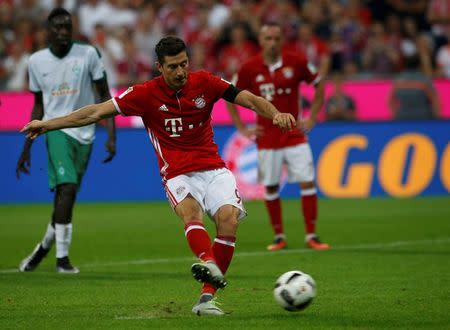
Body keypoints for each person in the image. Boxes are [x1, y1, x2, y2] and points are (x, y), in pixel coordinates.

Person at [20, 36, 296, 315]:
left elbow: (248, 98)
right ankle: (208, 261)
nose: (180, 72)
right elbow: (94, 111)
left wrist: (274, 113)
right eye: (173, 66)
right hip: (177, 172)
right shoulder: (144, 94)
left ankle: (206, 299)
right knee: (191, 213)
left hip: (213, 167)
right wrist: (47, 125)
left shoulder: (206, 82)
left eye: (184, 64)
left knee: (229, 220)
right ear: (160, 67)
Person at [16, 8, 116, 274]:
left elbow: (105, 95)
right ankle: (62, 260)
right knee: (68, 189)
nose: (62, 32)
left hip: (85, 131)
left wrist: (112, 135)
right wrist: (27, 147)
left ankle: (42, 249)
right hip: (55, 128)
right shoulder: (36, 61)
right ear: (47, 31)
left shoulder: (89, 54)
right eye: (57, 27)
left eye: (66, 27)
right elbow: (38, 106)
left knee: (65, 197)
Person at [227, 22, 330, 252]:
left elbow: (319, 83)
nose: (272, 43)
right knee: (271, 187)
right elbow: (229, 95)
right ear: (261, 41)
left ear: (281, 40)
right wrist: (243, 128)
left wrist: (312, 117)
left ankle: (311, 235)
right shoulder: (249, 67)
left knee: (307, 182)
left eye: (276, 38)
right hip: (267, 138)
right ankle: (279, 236)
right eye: (268, 39)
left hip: (294, 135)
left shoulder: (297, 61)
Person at [389, 54, 440, 120]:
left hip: (403, 117)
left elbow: (390, 101)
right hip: (424, 117)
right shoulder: (425, 80)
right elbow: (435, 100)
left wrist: (395, 115)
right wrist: (437, 119)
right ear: (419, 65)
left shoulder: (398, 80)